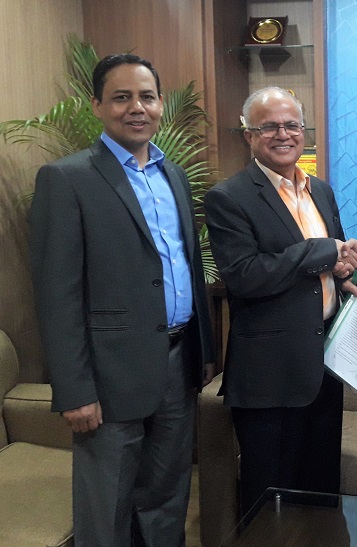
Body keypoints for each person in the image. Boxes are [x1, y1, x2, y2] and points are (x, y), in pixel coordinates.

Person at [28, 54, 215, 546]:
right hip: (108, 376)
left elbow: (187, 267)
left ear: (160, 104)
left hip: (177, 363)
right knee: (106, 507)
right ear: (97, 105)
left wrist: (203, 351)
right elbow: (56, 295)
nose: (137, 107)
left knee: (168, 497)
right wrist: (74, 389)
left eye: (147, 97)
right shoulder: (66, 178)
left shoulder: (174, 175)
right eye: (121, 97)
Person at [203, 87, 357, 517]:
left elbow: (329, 261)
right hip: (268, 376)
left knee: (321, 495)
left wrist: (344, 272)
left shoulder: (321, 191)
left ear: (303, 132)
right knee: (270, 501)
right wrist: (322, 251)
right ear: (248, 135)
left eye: (292, 125)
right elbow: (244, 275)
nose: (283, 134)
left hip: (324, 366)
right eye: (269, 126)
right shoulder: (228, 197)